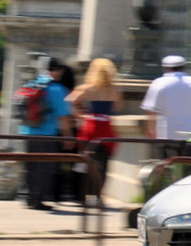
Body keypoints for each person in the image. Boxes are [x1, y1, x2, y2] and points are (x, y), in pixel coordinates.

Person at [19, 57, 74, 210]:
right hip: (47, 134)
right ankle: (38, 200)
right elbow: (63, 116)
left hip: (27, 131)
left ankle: (30, 197)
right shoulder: (57, 89)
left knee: (31, 166)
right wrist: (68, 137)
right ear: (59, 71)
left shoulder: (32, 83)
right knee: (45, 167)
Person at [68, 58, 123, 198]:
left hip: (91, 126)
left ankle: (85, 195)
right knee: (103, 165)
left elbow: (70, 101)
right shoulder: (115, 89)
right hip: (106, 127)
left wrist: (81, 115)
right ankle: (97, 196)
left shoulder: (87, 88)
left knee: (87, 163)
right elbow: (118, 107)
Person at [141, 55, 191, 140]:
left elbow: (151, 112)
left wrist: (151, 130)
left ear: (165, 68)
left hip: (166, 133)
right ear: (183, 67)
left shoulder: (158, 83)